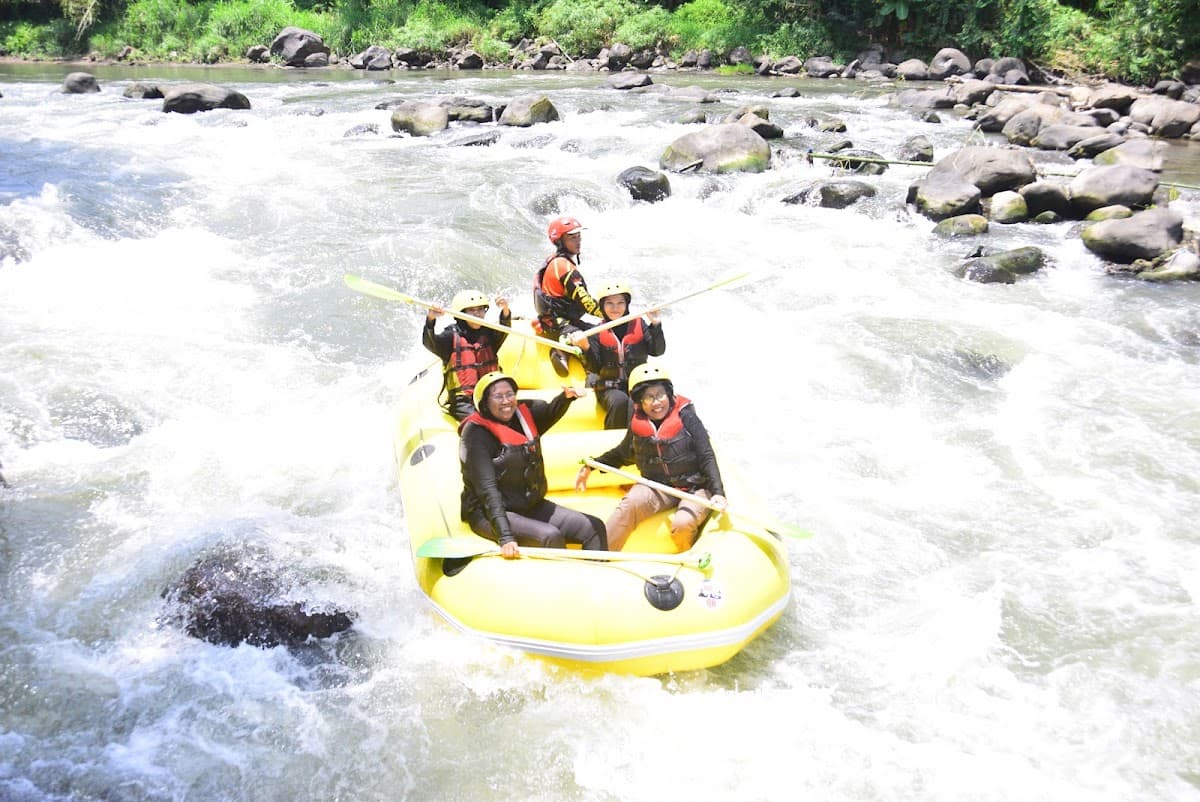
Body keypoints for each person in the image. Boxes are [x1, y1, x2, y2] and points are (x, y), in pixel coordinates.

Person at [575, 363, 726, 552]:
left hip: (695, 488)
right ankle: (599, 556)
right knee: (629, 505)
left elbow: (706, 455)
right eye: (649, 397)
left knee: (683, 523)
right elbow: (622, 453)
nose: (657, 402)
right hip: (658, 487)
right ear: (639, 401)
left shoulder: (687, 417)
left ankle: (686, 559)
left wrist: (718, 492)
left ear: (669, 394)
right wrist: (592, 465)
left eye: (660, 395)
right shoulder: (639, 423)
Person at [460, 371, 607, 558]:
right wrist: (505, 536)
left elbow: (548, 414)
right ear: (485, 403)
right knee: (550, 537)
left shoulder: (521, 418)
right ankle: (565, 584)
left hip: (530, 505)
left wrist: (565, 398)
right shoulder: (476, 435)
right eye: (498, 396)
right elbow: (487, 489)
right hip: (491, 514)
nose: (506, 401)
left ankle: (597, 581)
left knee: (593, 527)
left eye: (510, 394)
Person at [568, 282, 666, 430]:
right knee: (621, 401)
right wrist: (585, 346)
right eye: (610, 303)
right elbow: (595, 367)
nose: (615, 308)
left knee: (640, 401)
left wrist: (656, 325)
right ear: (602, 306)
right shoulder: (596, 331)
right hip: (609, 387)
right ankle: (614, 443)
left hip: (637, 385)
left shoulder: (639, 324)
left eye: (620, 303)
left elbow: (657, 351)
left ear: (627, 305)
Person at [423, 289, 510, 421]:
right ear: (461, 314)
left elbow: (505, 329)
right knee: (482, 423)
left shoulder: (489, 334)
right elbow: (429, 342)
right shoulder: (450, 337)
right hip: (464, 402)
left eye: (480, 309)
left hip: (490, 397)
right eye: (472, 310)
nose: (477, 314)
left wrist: (505, 309)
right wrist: (431, 319)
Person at [533, 215, 603, 377]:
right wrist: (611, 314)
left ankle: (563, 348)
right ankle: (564, 352)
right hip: (559, 324)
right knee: (595, 342)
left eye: (579, 236)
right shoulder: (563, 267)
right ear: (560, 241)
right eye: (572, 237)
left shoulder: (556, 261)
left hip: (558, 320)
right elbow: (587, 303)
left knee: (598, 333)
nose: (578, 241)